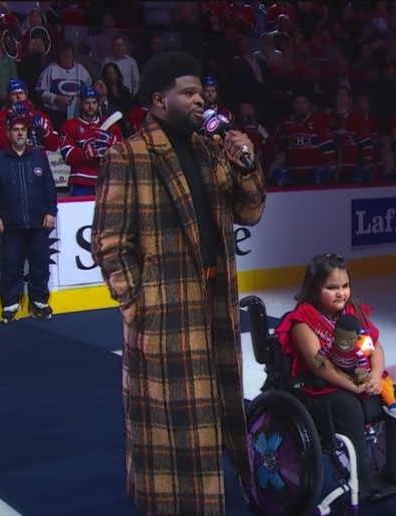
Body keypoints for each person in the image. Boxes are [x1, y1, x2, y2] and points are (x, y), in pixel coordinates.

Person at [90, 50, 266, 515]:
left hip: (213, 305)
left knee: (211, 415)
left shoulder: (212, 150)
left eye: (202, 92)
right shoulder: (128, 156)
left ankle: (211, 501)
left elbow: (251, 211)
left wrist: (246, 163)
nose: (200, 100)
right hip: (163, 314)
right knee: (168, 430)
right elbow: (108, 245)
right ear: (158, 101)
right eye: (188, 93)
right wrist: (141, 305)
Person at [275, 253, 396, 502]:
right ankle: (362, 477)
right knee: (349, 406)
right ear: (314, 288)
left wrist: (374, 374)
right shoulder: (303, 321)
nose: (341, 293)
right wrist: (352, 386)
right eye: (331, 288)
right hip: (321, 387)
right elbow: (319, 365)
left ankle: (394, 466)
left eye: (345, 286)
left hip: (358, 379)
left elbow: (374, 347)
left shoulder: (353, 313)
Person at [0, 114, 57, 324]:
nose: (20, 133)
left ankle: (39, 302)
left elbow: (49, 187)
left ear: (28, 134)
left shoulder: (39, 156)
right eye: (15, 129)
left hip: (38, 223)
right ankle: (9, 304)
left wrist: (51, 212)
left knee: (40, 263)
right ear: (8, 133)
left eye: (23, 130)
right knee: (11, 264)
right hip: (11, 224)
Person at [59, 85, 123, 196]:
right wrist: (87, 153)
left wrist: (113, 142)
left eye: (94, 103)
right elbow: (67, 155)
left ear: (98, 103)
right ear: (80, 103)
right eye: (87, 103)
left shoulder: (111, 125)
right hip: (80, 182)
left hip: (107, 180)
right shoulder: (70, 125)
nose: (90, 106)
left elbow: (123, 152)